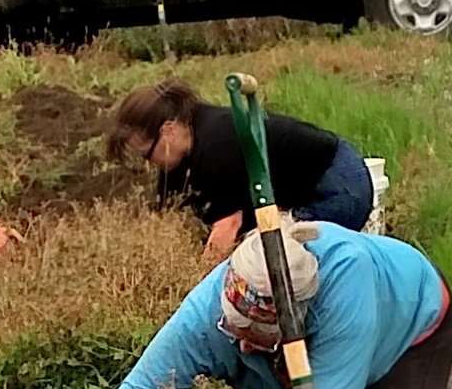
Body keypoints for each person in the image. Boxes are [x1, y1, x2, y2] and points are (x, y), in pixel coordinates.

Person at [97, 215, 452, 389]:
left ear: (297, 322)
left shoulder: (346, 288)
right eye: (233, 331)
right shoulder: (204, 315)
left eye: (255, 338)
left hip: (411, 329)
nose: (241, 348)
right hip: (302, 362)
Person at [108, 79, 374, 261]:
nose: (149, 163)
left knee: (287, 262)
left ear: (167, 130)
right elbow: (166, 216)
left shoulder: (215, 147)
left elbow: (226, 228)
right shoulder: (182, 147)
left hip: (335, 186)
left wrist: (191, 286)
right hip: (308, 184)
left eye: (147, 153)